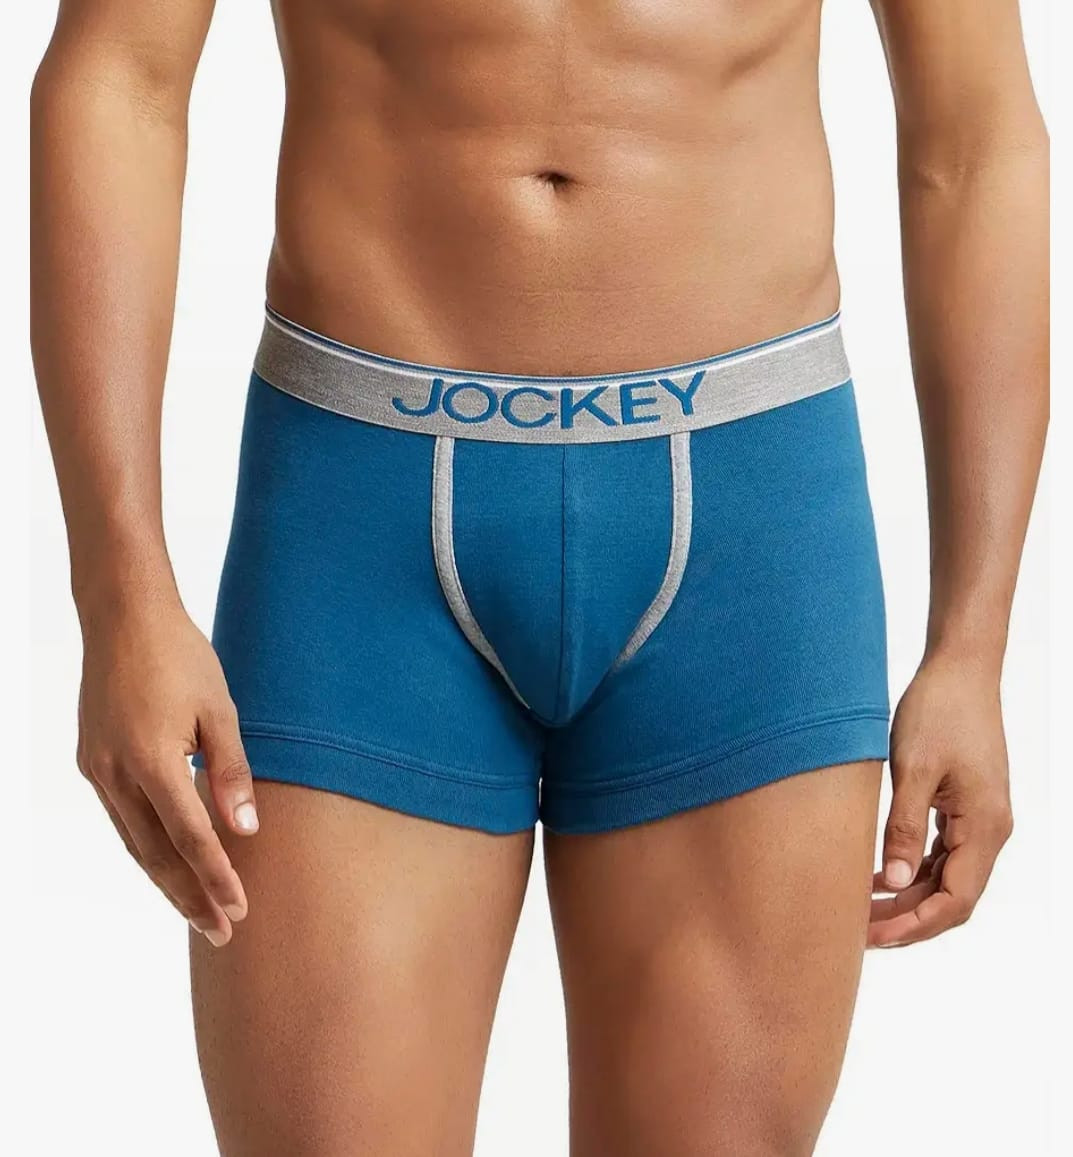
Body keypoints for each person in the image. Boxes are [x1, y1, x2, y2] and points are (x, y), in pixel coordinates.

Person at [30, 1, 1047, 1154]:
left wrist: (971, 644)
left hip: (750, 532)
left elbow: (973, 141)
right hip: (354, 525)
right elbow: (117, 81)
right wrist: (119, 593)